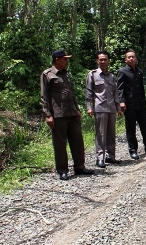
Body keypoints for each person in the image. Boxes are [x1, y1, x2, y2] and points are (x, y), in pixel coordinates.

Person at [40, 48, 94, 180]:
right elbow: (44, 96)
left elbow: (71, 93)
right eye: (65, 59)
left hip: (72, 113)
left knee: (78, 142)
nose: (67, 62)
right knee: (60, 144)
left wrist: (77, 109)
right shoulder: (47, 74)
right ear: (57, 60)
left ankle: (79, 167)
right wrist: (48, 115)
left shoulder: (67, 74)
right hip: (59, 115)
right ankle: (62, 170)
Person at [116, 49, 146, 160]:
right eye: (129, 57)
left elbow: (141, 87)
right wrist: (121, 101)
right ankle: (133, 150)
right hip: (130, 105)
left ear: (136, 58)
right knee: (131, 129)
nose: (131, 58)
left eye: (133, 57)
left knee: (145, 126)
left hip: (141, 104)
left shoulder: (139, 72)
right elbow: (120, 88)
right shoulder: (122, 71)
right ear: (125, 60)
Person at [86, 50, 123, 168]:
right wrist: (89, 107)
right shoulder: (92, 74)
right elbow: (88, 92)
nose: (103, 61)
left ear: (108, 61)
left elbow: (115, 93)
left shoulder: (111, 75)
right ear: (97, 61)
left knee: (111, 134)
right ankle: (100, 158)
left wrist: (119, 108)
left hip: (111, 108)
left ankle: (110, 156)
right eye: (100, 59)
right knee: (101, 134)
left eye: (105, 59)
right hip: (100, 108)